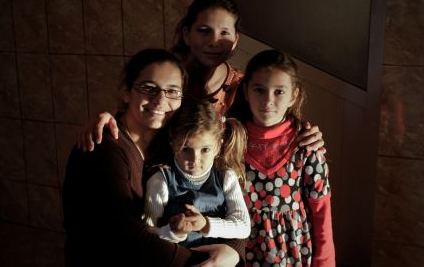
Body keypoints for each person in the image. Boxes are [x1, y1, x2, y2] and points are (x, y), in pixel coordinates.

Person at [62, 48, 246, 267]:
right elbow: (134, 240)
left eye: (172, 91)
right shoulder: (103, 149)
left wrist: (234, 252)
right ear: (126, 92)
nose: (160, 100)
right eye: (149, 88)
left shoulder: (172, 144)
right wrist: (210, 262)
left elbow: (229, 209)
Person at [77, 0, 325, 154]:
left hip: (217, 194)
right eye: (204, 31)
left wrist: (306, 134)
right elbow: (135, 113)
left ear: (236, 40)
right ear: (186, 34)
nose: (214, 42)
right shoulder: (166, 76)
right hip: (159, 180)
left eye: (224, 33)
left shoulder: (241, 86)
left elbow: (275, 123)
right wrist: (106, 118)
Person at [240, 49, 336, 266]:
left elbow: (321, 210)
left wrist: (325, 262)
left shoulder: (306, 147)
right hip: (240, 251)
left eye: (279, 91)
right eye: (259, 90)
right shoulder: (231, 141)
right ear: (246, 91)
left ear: (294, 95)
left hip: (292, 255)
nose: (268, 100)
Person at [143, 101, 250, 248]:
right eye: (186, 149)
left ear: (218, 146)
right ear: (173, 143)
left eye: (205, 150)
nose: (195, 160)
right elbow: (146, 232)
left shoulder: (225, 176)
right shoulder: (161, 179)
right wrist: (173, 232)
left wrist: (205, 224)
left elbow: (244, 227)